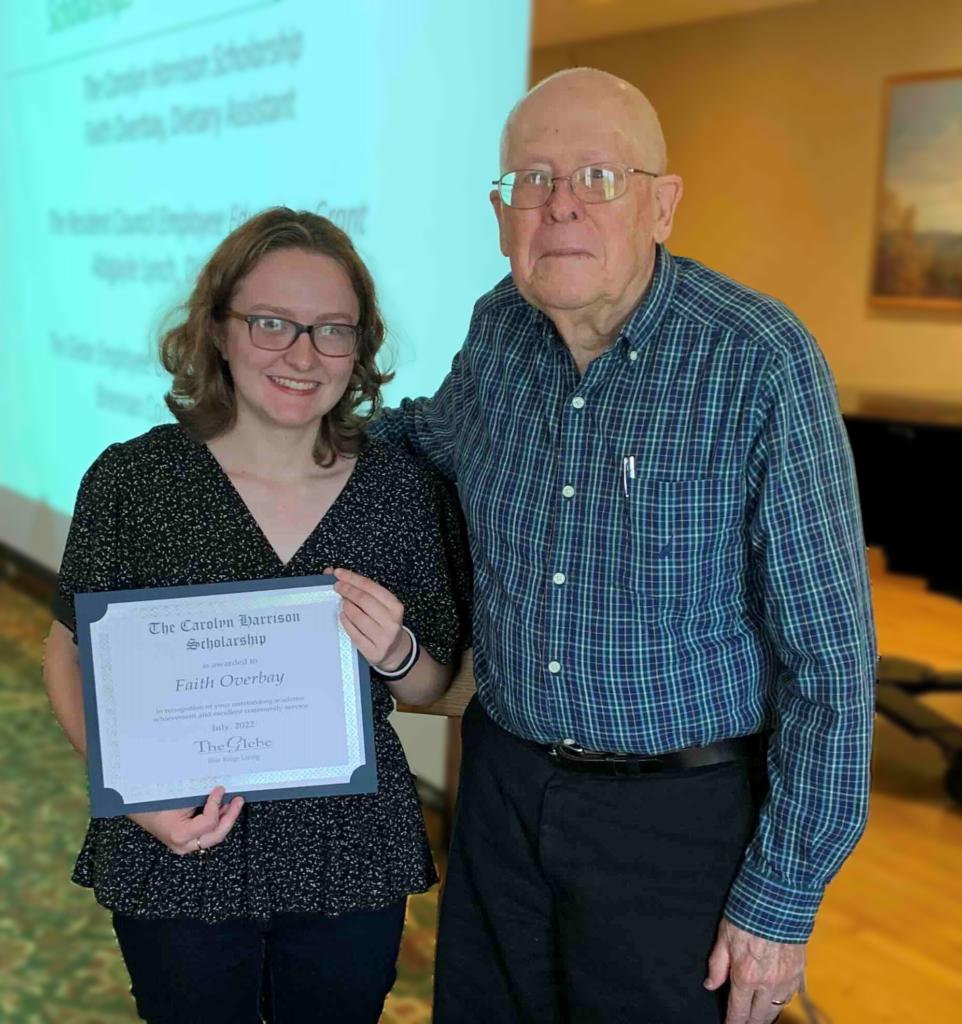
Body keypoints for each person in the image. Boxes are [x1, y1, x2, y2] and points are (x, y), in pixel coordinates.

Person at [367, 68, 876, 1024]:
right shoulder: (500, 327)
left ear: (662, 205)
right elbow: (429, 438)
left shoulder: (758, 361)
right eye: (531, 181)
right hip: (503, 795)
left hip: (680, 825)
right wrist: (282, 426)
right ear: (500, 209)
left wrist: (781, 904)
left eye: (596, 176)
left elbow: (833, 666)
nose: (558, 207)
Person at [42, 208, 470, 1024]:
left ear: (360, 348)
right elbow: (68, 658)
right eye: (272, 323)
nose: (302, 355)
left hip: (348, 855)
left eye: (332, 330)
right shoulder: (136, 480)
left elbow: (427, 685)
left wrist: (399, 650)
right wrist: (132, 796)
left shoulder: (401, 491)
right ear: (219, 329)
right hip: (181, 839)